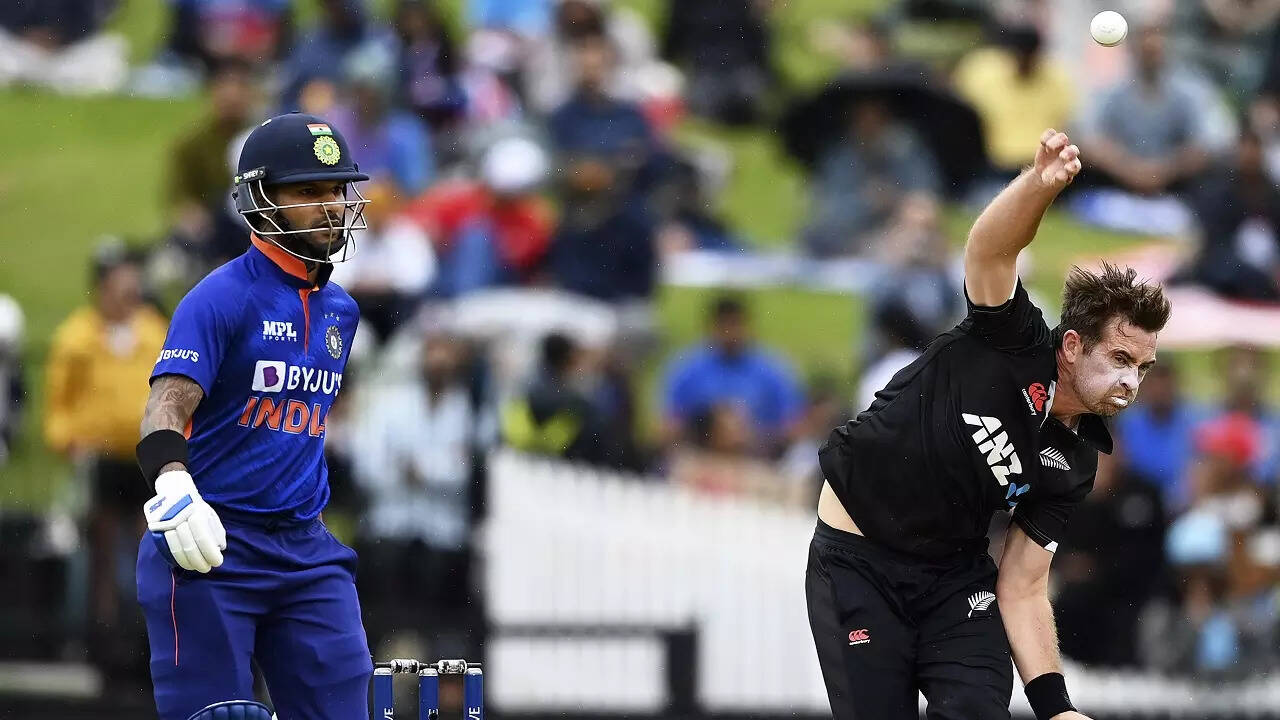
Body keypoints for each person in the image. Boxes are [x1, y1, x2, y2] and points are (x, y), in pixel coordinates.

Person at [806, 128, 1171, 720]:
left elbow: (1024, 585)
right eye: (1121, 358)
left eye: (1143, 368)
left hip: (953, 577)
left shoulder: (1076, 460)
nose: (1132, 381)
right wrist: (1038, 186)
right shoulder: (1013, 338)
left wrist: (1057, 709)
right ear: (1072, 346)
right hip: (857, 561)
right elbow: (988, 251)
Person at [133, 112, 372, 720]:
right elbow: (165, 404)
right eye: (307, 192)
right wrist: (172, 482)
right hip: (212, 543)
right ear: (260, 200)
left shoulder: (342, 311)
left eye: (337, 190)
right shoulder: (220, 297)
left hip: (306, 551)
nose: (331, 206)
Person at [44, 241, 168, 682]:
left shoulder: (152, 330)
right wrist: (67, 439)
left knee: (150, 547)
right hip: (100, 459)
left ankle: (148, 640)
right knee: (101, 552)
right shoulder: (77, 337)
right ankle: (103, 640)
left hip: (143, 456)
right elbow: (58, 404)